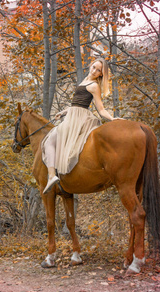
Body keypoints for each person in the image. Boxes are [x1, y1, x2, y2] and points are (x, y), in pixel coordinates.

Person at [42, 57, 117, 194]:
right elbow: (78, 103)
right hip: (72, 114)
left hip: (80, 118)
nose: (94, 71)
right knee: (52, 140)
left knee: (49, 141)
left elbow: (100, 109)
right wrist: (64, 112)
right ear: (91, 65)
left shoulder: (94, 86)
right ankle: (53, 175)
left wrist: (112, 118)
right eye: (94, 67)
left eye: (98, 70)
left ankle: (52, 175)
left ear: (101, 74)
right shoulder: (85, 81)